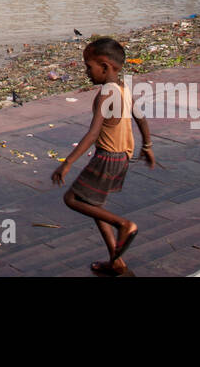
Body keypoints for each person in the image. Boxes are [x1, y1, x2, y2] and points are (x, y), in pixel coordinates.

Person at [51, 37, 155, 276]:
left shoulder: (105, 95)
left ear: (105, 66)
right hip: (122, 157)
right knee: (94, 204)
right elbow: (140, 117)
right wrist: (147, 146)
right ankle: (116, 261)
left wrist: (66, 164)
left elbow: (93, 132)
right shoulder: (123, 87)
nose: (87, 72)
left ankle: (124, 225)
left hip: (107, 157)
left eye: (89, 67)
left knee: (73, 199)